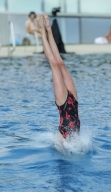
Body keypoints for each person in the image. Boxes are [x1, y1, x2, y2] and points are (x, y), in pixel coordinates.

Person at [36, 14, 80, 142]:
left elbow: (58, 142)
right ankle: (49, 30)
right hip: (74, 101)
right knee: (60, 63)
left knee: (54, 65)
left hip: (64, 104)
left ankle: (42, 31)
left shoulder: (61, 139)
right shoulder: (72, 141)